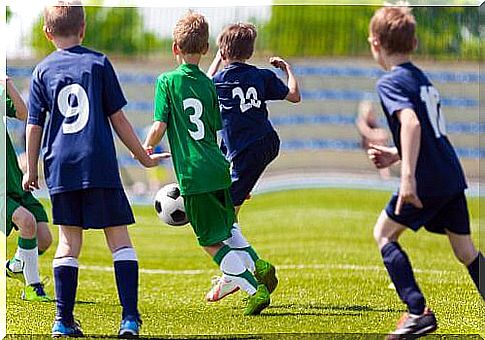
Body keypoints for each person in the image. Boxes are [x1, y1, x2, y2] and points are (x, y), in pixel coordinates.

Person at [23, 1, 168, 337]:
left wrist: (31, 169)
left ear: (47, 33)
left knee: (68, 244)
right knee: (119, 240)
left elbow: (33, 125)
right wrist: (143, 157)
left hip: (60, 164)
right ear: (83, 28)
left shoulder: (42, 70)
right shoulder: (99, 63)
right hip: (98, 162)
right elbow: (118, 118)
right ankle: (129, 319)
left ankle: (62, 321)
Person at [367, 6, 484, 337]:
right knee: (465, 250)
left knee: (384, 234)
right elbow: (428, 132)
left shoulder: (390, 81)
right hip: (449, 174)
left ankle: (417, 311)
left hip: (427, 180)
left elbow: (413, 122)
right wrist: (395, 154)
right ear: (414, 42)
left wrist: (407, 178)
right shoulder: (421, 78)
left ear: (375, 42)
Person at [144, 11, 271, 316]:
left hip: (194, 174)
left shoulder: (167, 81)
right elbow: (214, 126)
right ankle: (258, 263)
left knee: (209, 241)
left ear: (175, 48)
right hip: (218, 166)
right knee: (227, 227)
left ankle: (254, 289)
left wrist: (147, 146)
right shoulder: (209, 84)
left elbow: (160, 124)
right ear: (204, 50)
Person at [204, 23, 300, 301]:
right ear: (252, 51)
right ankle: (235, 272)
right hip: (267, 143)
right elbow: (294, 95)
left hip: (245, 152)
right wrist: (287, 69)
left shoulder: (218, 82)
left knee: (222, 219)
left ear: (223, 50)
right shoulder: (261, 75)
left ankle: (237, 274)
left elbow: (205, 83)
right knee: (230, 210)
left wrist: (217, 58)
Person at [2, 76, 53, 302]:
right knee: (27, 221)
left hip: (12, 180)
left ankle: (16, 265)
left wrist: (8, 84)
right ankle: (33, 288)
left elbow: (23, 114)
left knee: (44, 239)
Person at [355, 99, 390, 179]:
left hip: (374, 144)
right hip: (366, 145)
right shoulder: (360, 122)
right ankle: (385, 174)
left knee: (380, 146)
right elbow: (367, 133)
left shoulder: (373, 124)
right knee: (379, 146)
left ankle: (385, 173)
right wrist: (380, 135)